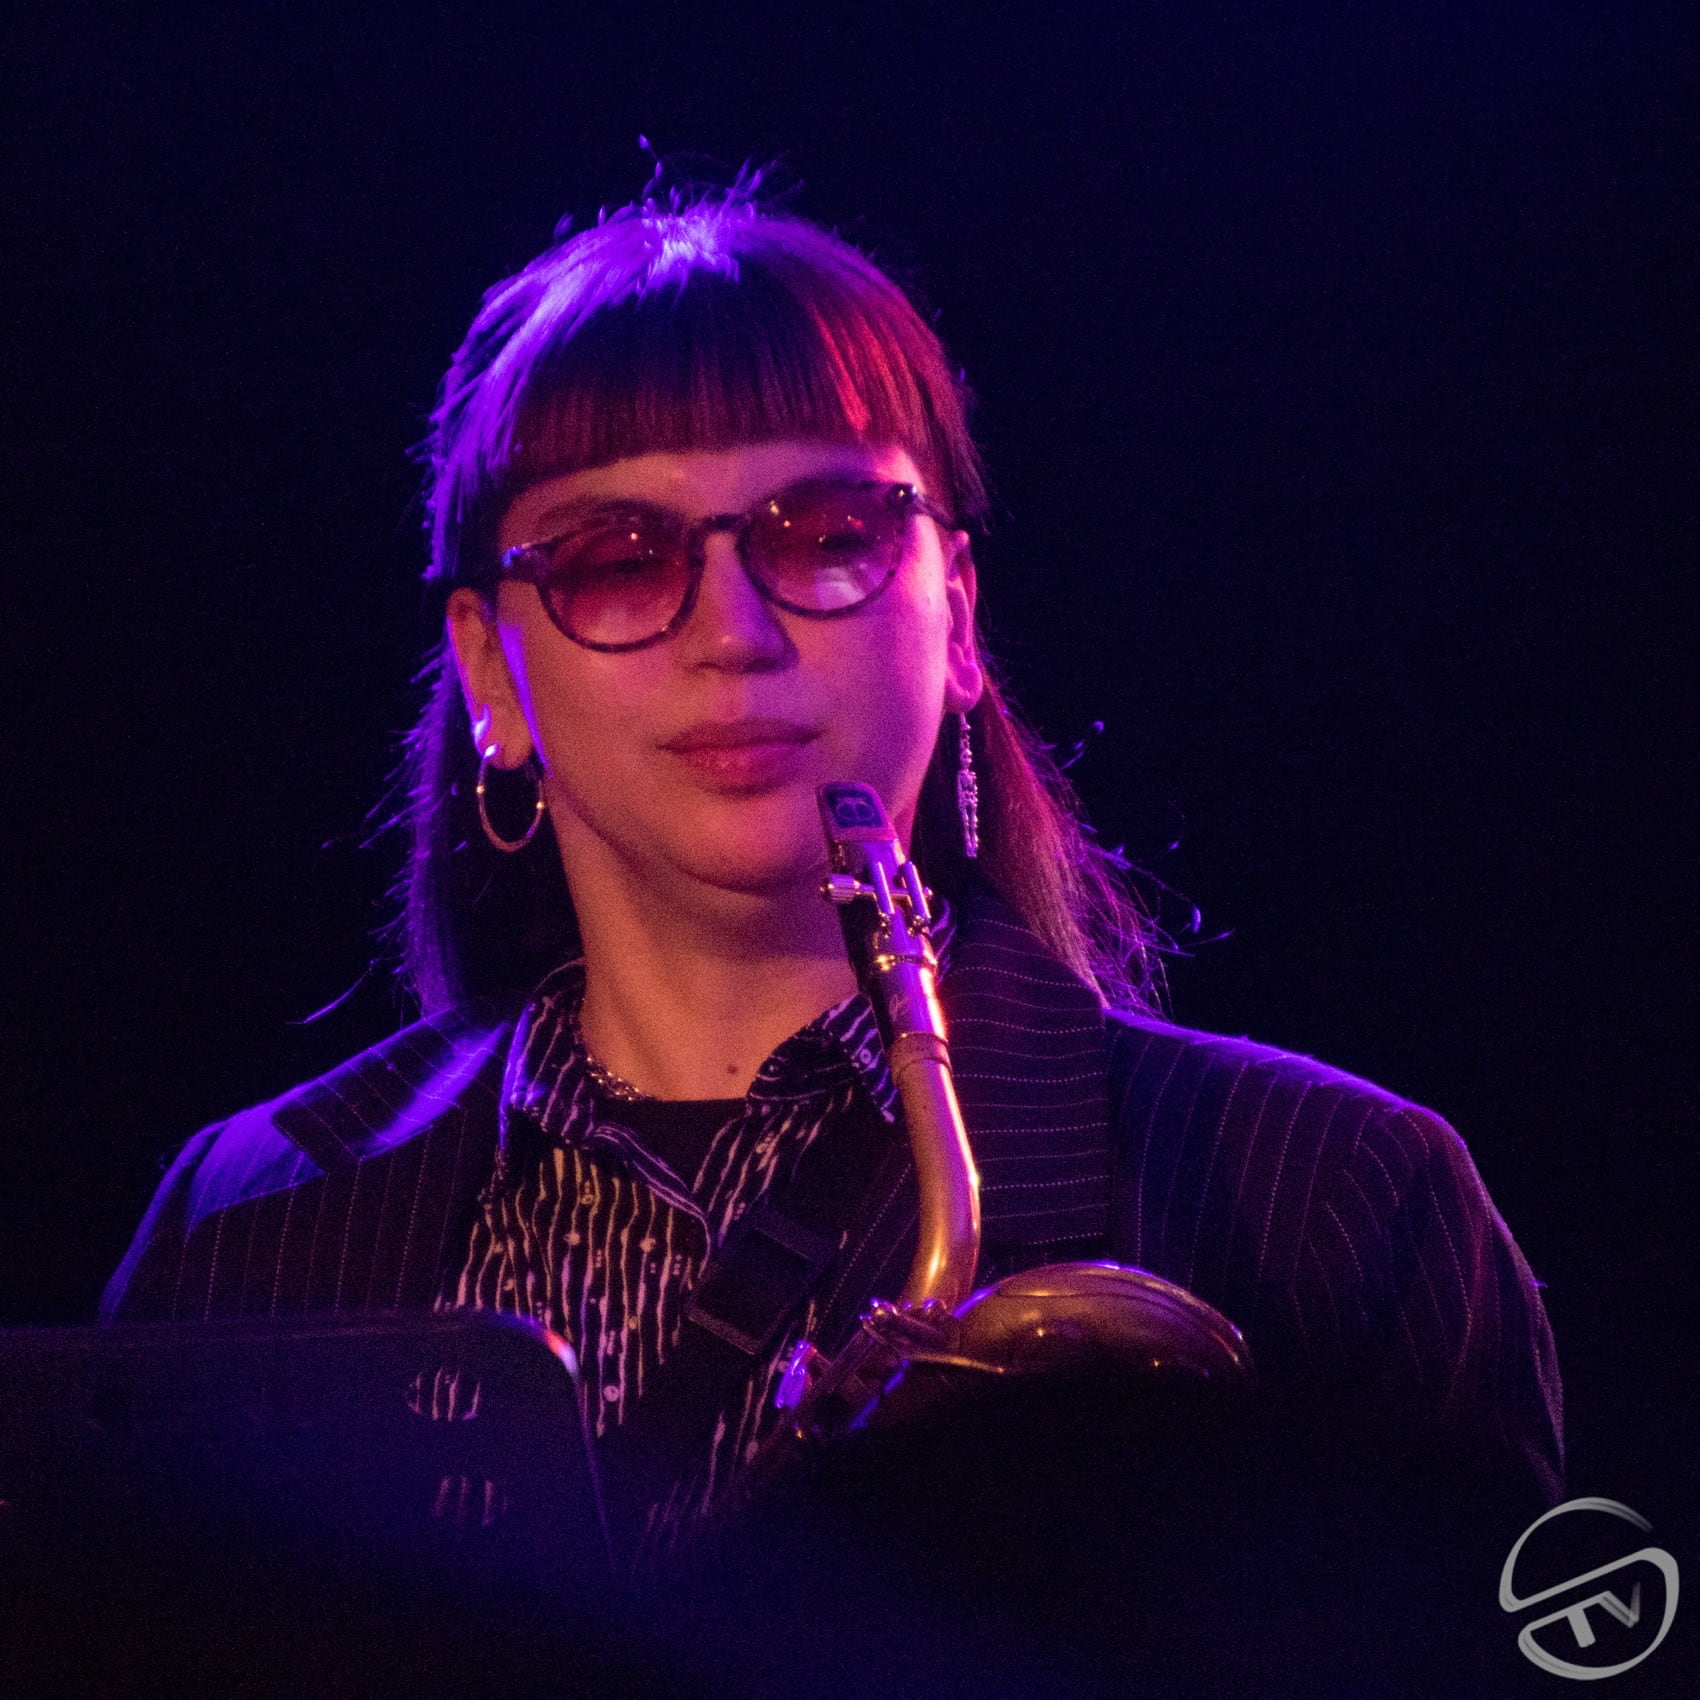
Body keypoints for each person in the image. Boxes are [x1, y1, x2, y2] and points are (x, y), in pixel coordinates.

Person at [101, 185, 1563, 1568]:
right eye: (618, 557)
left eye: (828, 535)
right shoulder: (244, 1227)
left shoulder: (1329, 1201)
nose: (733, 631)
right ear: (492, 673)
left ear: (959, 616)